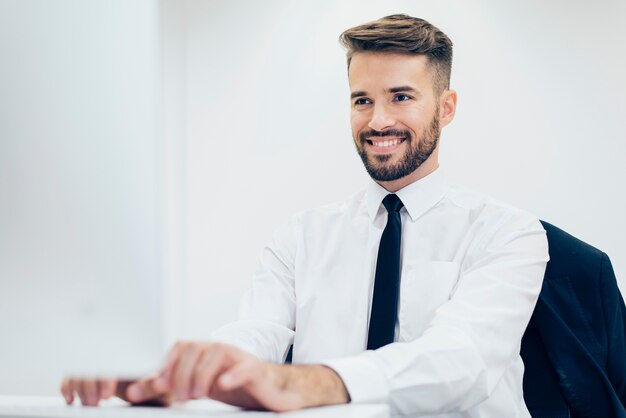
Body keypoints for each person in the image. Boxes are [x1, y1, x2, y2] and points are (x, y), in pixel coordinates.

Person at [61, 14, 549, 417]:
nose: (378, 120)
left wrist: (305, 384)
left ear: (446, 109)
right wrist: (180, 375)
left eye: (401, 97)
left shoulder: (509, 233)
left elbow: (462, 360)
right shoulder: (303, 235)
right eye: (363, 100)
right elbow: (257, 334)